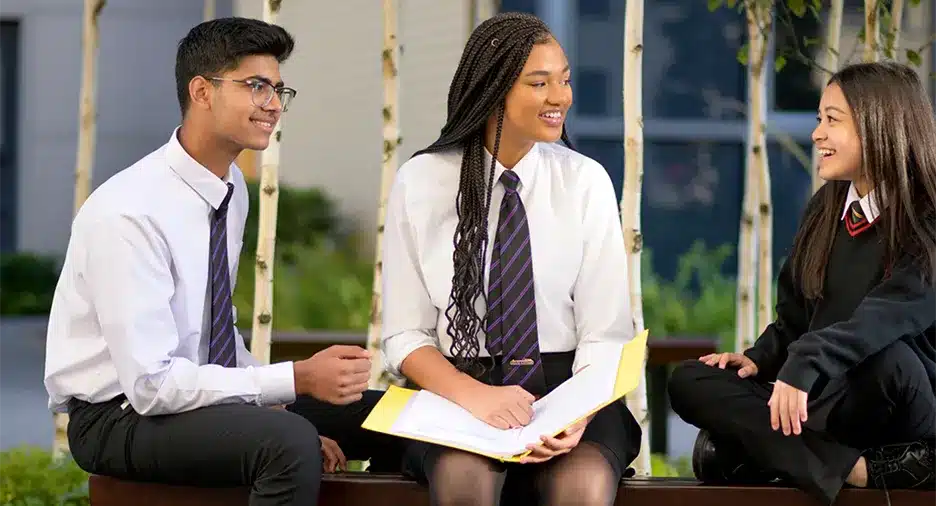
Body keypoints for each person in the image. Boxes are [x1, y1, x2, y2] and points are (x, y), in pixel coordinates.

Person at [43, 17, 402, 506]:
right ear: (202, 92)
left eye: (279, 89)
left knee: (389, 417)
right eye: (257, 86)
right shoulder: (128, 212)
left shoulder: (231, 192)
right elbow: (151, 385)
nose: (274, 104)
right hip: (119, 414)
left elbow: (215, 333)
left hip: (192, 401)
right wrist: (294, 380)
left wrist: (271, 402)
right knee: (290, 443)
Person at [378, 11, 641, 506]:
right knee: (464, 480)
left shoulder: (584, 182)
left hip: (570, 387)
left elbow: (606, 332)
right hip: (458, 388)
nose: (560, 97)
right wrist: (475, 395)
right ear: (494, 89)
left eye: (563, 80)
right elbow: (404, 334)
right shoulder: (422, 181)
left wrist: (575, 414)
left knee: (581, 485)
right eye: (538, 83)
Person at [668, 61, 936, 505]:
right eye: (819, 120)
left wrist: (804, 363)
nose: (817, 135)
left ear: (879, 126)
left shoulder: (926, 220)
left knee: (884, 355)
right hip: (823, 400)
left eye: (832, 120)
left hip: (892, 397)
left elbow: (881, 319)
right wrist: (759, 359)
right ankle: (848, 468)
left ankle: (757, 453)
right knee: (690, 380)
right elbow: (795, 317)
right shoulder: (826, 208)